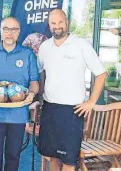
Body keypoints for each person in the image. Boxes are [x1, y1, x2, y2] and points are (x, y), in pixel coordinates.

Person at [37, 9, 108, 171]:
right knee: (53, 157)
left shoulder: (81, 45)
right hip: (49, 109)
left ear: (67, 22)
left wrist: (91, 102)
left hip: (72, 111)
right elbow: (41, 75)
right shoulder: (44, 47)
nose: (57, 26)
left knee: (69, 161)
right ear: (49, 25)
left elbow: (101, 73)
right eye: (53, 23)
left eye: (60, 22)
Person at [0, 17, 39, 171]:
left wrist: (31, 94)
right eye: (6, 29)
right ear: (0, 31)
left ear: (19, 32)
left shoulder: (27, 54)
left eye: (14, 29)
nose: (10, 33)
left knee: (13, 157)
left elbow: (34, 82)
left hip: (17, 115)